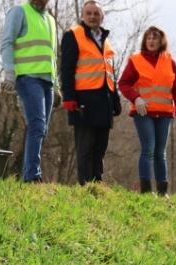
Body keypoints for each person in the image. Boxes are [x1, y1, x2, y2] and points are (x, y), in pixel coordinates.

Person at [119, 26, 176, 196]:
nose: (151, 41)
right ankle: (146, 191)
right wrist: (136, 98)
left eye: (154, 38)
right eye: (148, 38)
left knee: (160, 152)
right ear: (144, 41)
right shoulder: (135, 60)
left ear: (161, 41)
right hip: (144, 112)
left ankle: (163, 192)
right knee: (148, 148)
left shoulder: (169, 61)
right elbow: (123, 84)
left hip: (163, 113)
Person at [60, 1, 122, 185]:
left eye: (96, 13)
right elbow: (66, 68)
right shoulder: (73, 35)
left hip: (104, 100)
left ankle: (97, 183)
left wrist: (115, 98)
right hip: (83, 99)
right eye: (89, 13)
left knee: (100, 147)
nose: (92, 17)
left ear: (102, 17)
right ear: (83, 16)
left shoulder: (106, 40)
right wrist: (69, 96)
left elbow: (110, 72)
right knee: (85, 147)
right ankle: (85, 186)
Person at [1, 0, 61, 183]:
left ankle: (31, 173)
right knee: (37, 126)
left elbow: (52, 56)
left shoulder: (51, 20)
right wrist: (10, 73)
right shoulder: (19, 12)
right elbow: (7, 43)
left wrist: (57, 86)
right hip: (27, 78)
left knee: (42, 129)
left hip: (47, 82)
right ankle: (32, 176)